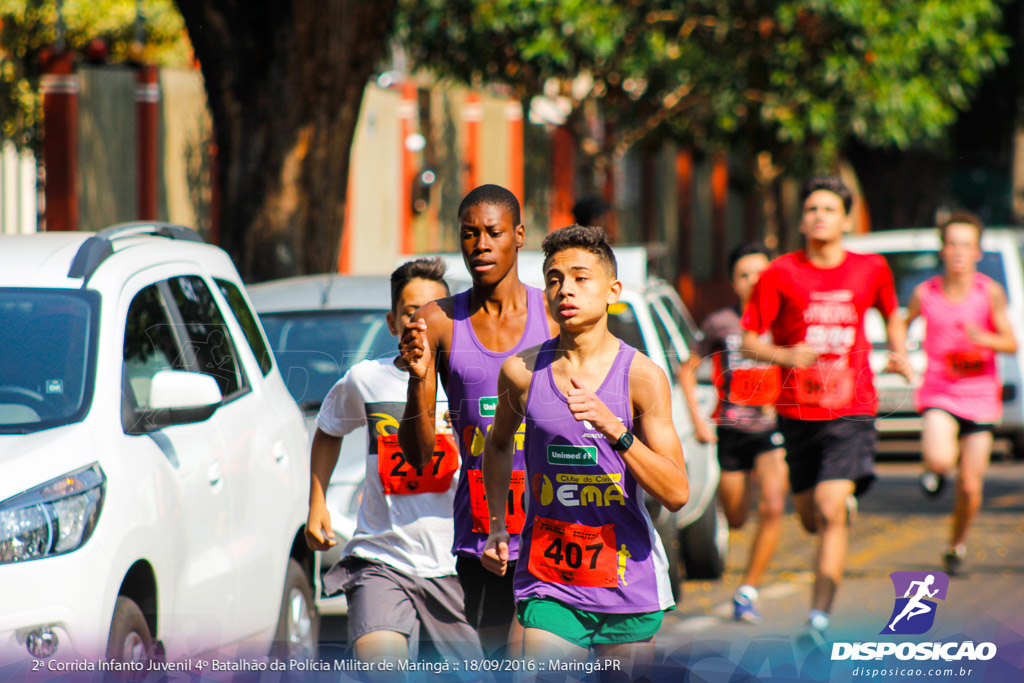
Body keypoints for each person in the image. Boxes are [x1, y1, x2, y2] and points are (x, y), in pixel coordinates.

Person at [480, 225, 688, 674]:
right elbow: (496, 446)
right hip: (549, 578)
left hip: (627, 577)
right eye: (554, 279)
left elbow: (676, 491)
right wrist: (498, 525)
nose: (565, 290)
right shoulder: (520, 372)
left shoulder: (643, 377)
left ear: (612, 290)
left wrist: (616, 430)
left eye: (579, 277)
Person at [740, 175, 913, 640]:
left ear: (846, 219)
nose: (819, 216)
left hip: (852, 406)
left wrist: (899, 352)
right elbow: (749, 341)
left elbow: (891, 312)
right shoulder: (779, 273)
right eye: (812, 208)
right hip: (796, 410)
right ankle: (838, 503)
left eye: (829, 209)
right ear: (801, 219)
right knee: (811, 518)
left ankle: (818, 619)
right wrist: (786, 356)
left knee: (829, 506)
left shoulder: (871, 268)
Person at [398, 184, 558, 657]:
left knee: (536, 661)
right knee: (499, 665)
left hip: (555, 522)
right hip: (485, 534)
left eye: (494, 232)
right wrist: (417, 379)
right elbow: (418, 456)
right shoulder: (439, 320)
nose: (482, 244)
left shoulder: (552, 314)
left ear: (520, 235)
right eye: (470, 234)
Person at [304, 257, 483, 666]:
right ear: (391, 322)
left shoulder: (473, 383)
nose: (420, 322)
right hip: (382, 559)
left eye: (432, 312)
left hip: (456, 564)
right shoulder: (365, 379)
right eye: (409, 312)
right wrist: (317, 503)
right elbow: (329, 430)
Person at [678, 241, 788, 624]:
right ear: (733, 282)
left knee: (773, 506)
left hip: (774, 429)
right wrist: (697, 422)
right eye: (745, 275)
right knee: (738, 516)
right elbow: (687, 370)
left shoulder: (787, 321)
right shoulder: (720, 323)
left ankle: (748, 588)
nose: (754, 281)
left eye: (761, 273)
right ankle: (744, 503)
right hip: (731, 429)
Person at [905, 211, 1017, 575]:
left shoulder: (990, 293)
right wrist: (899, 351)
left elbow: (1011, 342)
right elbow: (899, 323)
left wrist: (983, 339)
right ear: (942, 249)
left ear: (977, 252)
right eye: (952, 243)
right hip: (940, 391)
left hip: (980, 396)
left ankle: (957, 544)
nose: (958, 252)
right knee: (939, 458)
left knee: (970, 486)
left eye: (966, 245)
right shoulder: (925, 293)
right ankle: (934, 469)